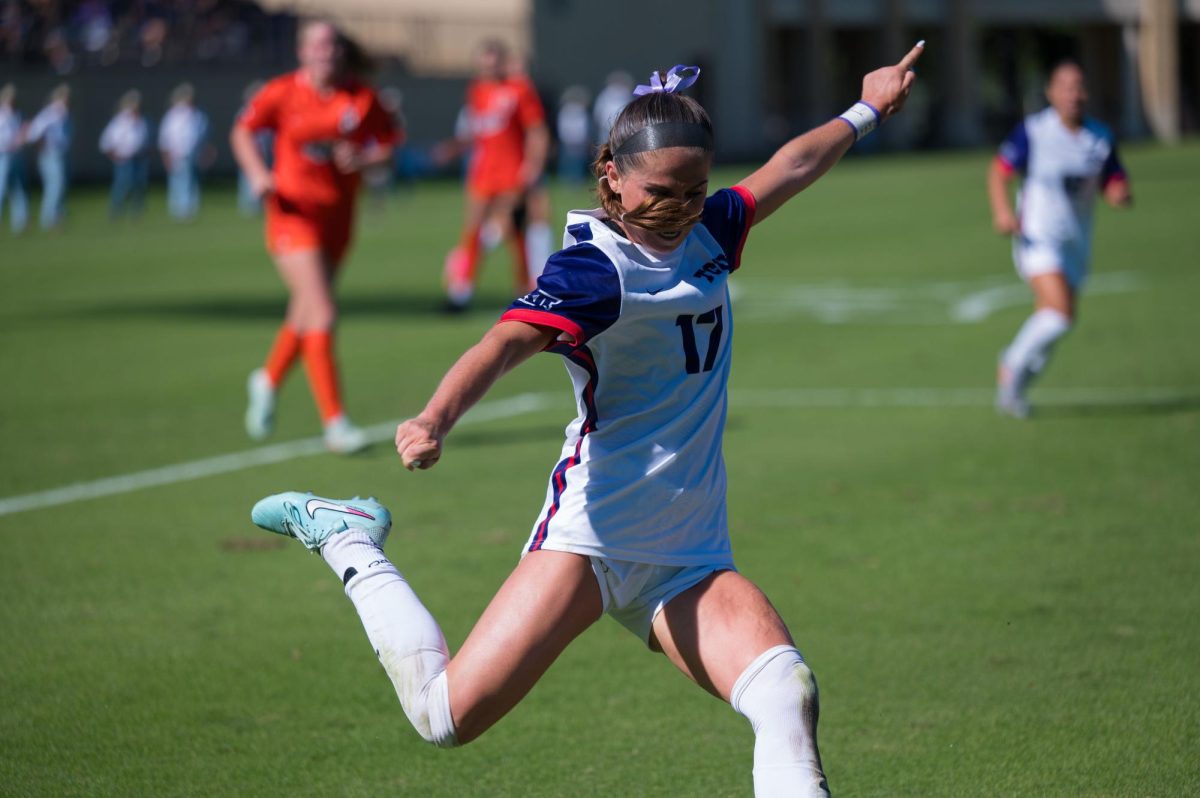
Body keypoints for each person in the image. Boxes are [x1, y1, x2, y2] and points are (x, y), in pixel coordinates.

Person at [250, 44, 924, 798]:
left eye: (696, 189)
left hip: (690, 552)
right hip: (592, 539)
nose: (680, 207)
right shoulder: (593, 270)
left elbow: (790, 166)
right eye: (661, 191)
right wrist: (436, 416)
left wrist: (867, 109)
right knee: (444, 717)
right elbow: (504, 342)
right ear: (612, 176)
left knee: (785, 694)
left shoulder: (711, 230)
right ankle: (349, 537)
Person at [231, 18, 400, 454]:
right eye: (317, 46)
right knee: (322, 310)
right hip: (292, 215)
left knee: (306, 309)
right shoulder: (282, 91)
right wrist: (257, 174)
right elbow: (243, 131)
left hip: (339, 218)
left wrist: (362, 157)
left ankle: (267, 379)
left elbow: (387, 147)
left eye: (332, 45)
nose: (326, 52)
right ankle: (335, 422)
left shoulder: (361, 97)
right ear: (302, 52)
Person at [988, 59, 1132, 418]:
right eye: (1066, 87)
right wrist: (1003, 212)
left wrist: (1118, 193)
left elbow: (1113, 178)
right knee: (1059, 316)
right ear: (1051, 93)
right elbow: (999, 170)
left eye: (1079, 86)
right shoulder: (1034, 132)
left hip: (1076, 243)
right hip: (1038, 237)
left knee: (1054, 321)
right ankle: (1010, 364)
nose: (1074, 94)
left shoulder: (1099, 137)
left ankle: (1014, 391)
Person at [441, 39, 549, 311]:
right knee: (472, 231)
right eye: (483, 64)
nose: (488, 69)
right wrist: (454, 149)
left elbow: (537, 130)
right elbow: (477, 133)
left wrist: (532, 164)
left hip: (511, 172)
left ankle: (526, 289)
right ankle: (460, 292)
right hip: (483, 172)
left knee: (515, 232)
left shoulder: (519, 89)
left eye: (493, 63)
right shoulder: (476, 91)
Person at [158, 82, 208, 221]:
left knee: (191, 181)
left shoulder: (198, 115)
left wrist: (204, 152)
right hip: (176, 153)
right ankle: (178, 210)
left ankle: (189, 209)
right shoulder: (173, 115)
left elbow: (203, 135)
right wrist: (166, 154)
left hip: (193, 153)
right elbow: (166, 137)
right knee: (178, 181)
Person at [25, 84, 71, 231]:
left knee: (58, 185)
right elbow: (34, 133)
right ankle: (49, 218)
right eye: (64, 97)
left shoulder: (61, 114)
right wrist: (42, 145)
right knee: (55, 186)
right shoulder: (49, 114)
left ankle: (56, 216)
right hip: (50, 154)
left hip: (58, 153)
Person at [99, 90, 149, 218]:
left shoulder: (141, 121)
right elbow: (106, 142)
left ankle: (136, 211)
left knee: (139, 185)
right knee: (122, 185)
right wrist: (115, 156)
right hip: (124, 158)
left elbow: (144, 138)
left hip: (138, 158)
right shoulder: (120, 121)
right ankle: (116, 210)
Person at [0, 83, 29, 234]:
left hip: (15, 155)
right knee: (1, 189)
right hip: (3, 154)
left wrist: (23, 134)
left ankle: (21, 222)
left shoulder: (17, 115)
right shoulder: (2, 115)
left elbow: (21, 135)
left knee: (18, 189)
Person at [556, 85, 592, 184]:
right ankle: (565, 180)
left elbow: (583, 126)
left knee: (578, 161)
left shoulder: (579, 110)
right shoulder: (567, 110)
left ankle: (576, 180)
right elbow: (563, 125)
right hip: (570, 140)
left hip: (576, 140)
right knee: (567, 161)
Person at [593, 69, 633, 145]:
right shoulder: (605, 95)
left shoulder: (627, 95)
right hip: (606, 132)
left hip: (623, 132)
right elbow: (598, 113)